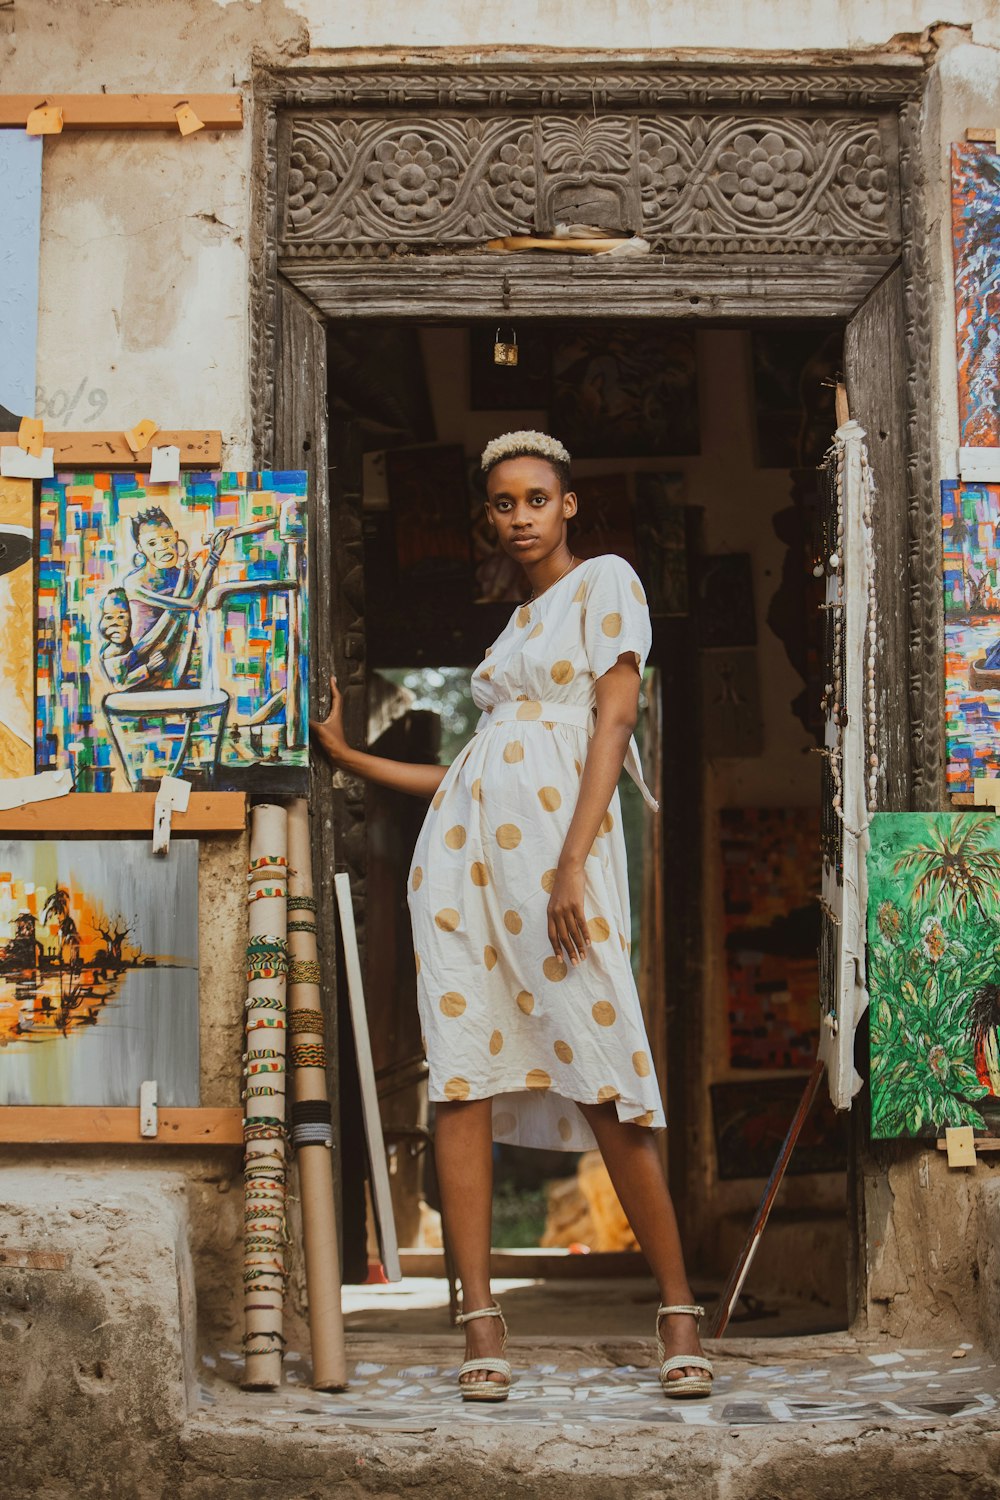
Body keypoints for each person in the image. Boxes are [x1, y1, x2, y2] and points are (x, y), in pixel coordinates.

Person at [311, 430, 712, 1404]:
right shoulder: (515, 626)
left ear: (568, 503)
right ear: (487, 515)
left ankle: (677, 1312)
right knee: (461, 1082)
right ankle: (481, 1320)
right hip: (459, 871)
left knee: (603, 1073)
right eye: (502, 502)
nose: (520, 515)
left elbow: (612, 722)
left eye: (536, 498)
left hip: (553, 866)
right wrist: (348, 754)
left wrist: (572, 863)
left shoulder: (605, 582)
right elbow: (471, 769)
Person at [123, 506, 232, 689]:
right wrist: (214, 556)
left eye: (166, 540)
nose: (163, 547)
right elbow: (192, 603)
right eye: (152, 544)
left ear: (176, 536)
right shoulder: (134, 583)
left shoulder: (189, 576)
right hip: (147, 668)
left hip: (187, 666)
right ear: (140, 548)